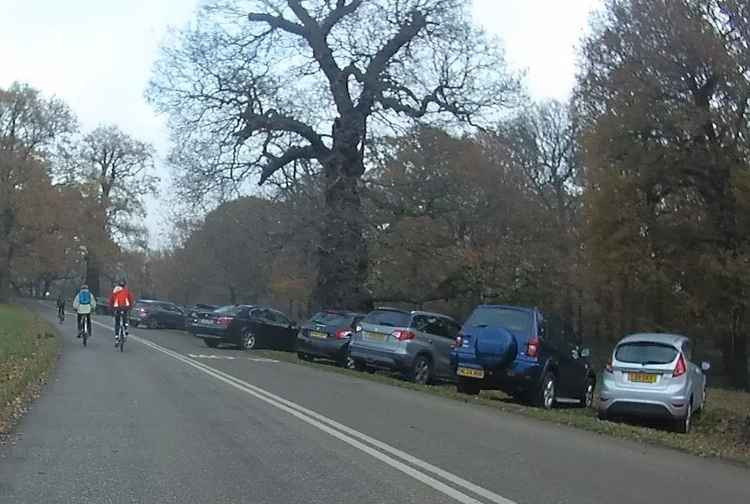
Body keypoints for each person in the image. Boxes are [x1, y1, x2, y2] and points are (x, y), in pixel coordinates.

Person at [108, 280, 135, 346]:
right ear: (124, 285)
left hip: (117, 308)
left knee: (117, 323)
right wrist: (130, 307)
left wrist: (111, 309)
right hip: (125, 308)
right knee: (125, 318)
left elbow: (111, 301)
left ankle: (117, 338)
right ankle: (126, 328)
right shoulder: (127, 291)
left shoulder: (115, 291)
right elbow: (131, 300)